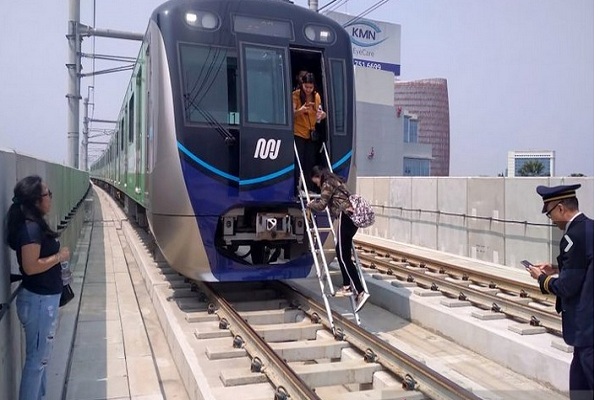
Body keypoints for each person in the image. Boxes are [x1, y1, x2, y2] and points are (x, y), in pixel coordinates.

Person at [5, 175, 70, 400]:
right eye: (47, 194)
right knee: (36, 362)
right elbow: (31, 267)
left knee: (40, 360)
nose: (50, 198)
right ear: (35, 200)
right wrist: (59, 256)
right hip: (39, 303)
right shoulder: (31, 229)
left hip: (41, 301)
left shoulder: (33, 225)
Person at [526, 184, 593, 400]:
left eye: (550, 213)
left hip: (586, 330)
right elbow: (586, 268)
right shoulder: (591, 228)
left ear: (561, 208)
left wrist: (542, 278)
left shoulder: (572, 237)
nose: (551, 219)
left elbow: (566, 287)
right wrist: (556, 269)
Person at [307, 165, 370, 312]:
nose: (316, 184)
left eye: (315, 181)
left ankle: (360, 291)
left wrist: (310, 204)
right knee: (341, 252)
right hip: (352, 219)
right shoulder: (337, 181)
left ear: (318, 177)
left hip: (345, 217)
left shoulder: (327, 183)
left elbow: (322, 205)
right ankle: (347, 285)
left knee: (343, 256)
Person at [292, 72, 326, 194]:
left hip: (311, 133)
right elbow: (291, 114)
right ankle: (295, 188)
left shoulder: (316, 96)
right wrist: (301, 110)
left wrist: (322, 115)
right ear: (302, 85)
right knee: (298, 161)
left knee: (310, 162)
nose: (308, 90)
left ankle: (309, 187)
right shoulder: (295, 95)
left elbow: (321, 113)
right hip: (298, 132)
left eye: (310, 87)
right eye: (306, 87)